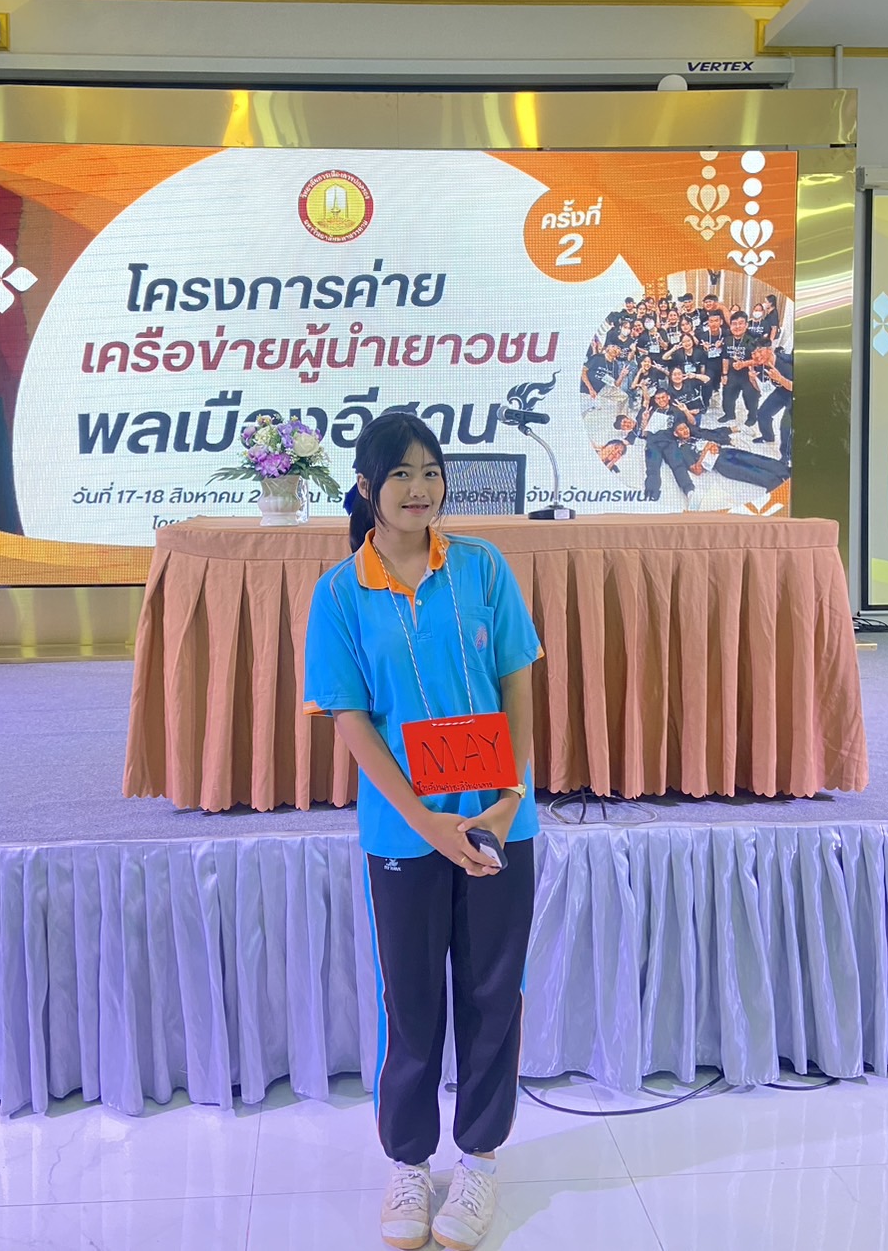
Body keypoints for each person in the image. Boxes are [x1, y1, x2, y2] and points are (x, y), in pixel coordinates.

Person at [303, 413, 542, 1251]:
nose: (420, 488)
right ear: (366, 487)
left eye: (431, 470)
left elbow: (517, 682)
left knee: (492, 995)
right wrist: (424, 821)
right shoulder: (339, 593)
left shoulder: (482, 566)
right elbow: (351, 719)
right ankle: (409, 1159)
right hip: (406, 830)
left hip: (498, 820)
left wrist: (509, 797)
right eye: (401, 473)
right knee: (410, 1002)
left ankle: (479, 1159)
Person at [719, 311, 761, 427]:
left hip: (748, 374)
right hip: (732, 373)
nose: (737, 326)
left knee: (750, 396)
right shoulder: (727, 340)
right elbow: (725, 358)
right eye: (734, 324)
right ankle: (729, 414)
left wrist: (744, 364)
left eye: (741, 323)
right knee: (727, 395)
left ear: (746, 325)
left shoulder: (750, 341)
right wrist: (724, 374)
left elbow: (758, 360)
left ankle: (752, 416)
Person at [753, 344, 793, 462]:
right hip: (781, 391)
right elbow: (762, 386)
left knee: (786, 426)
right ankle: (768, 437)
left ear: (770, 350)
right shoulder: (761, 365)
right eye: (755, 353)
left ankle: (787, 456)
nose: (757, 355)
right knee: (763, 413)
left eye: (760, 351)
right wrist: (752, 378)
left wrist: (780, 379)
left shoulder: (785, 365)